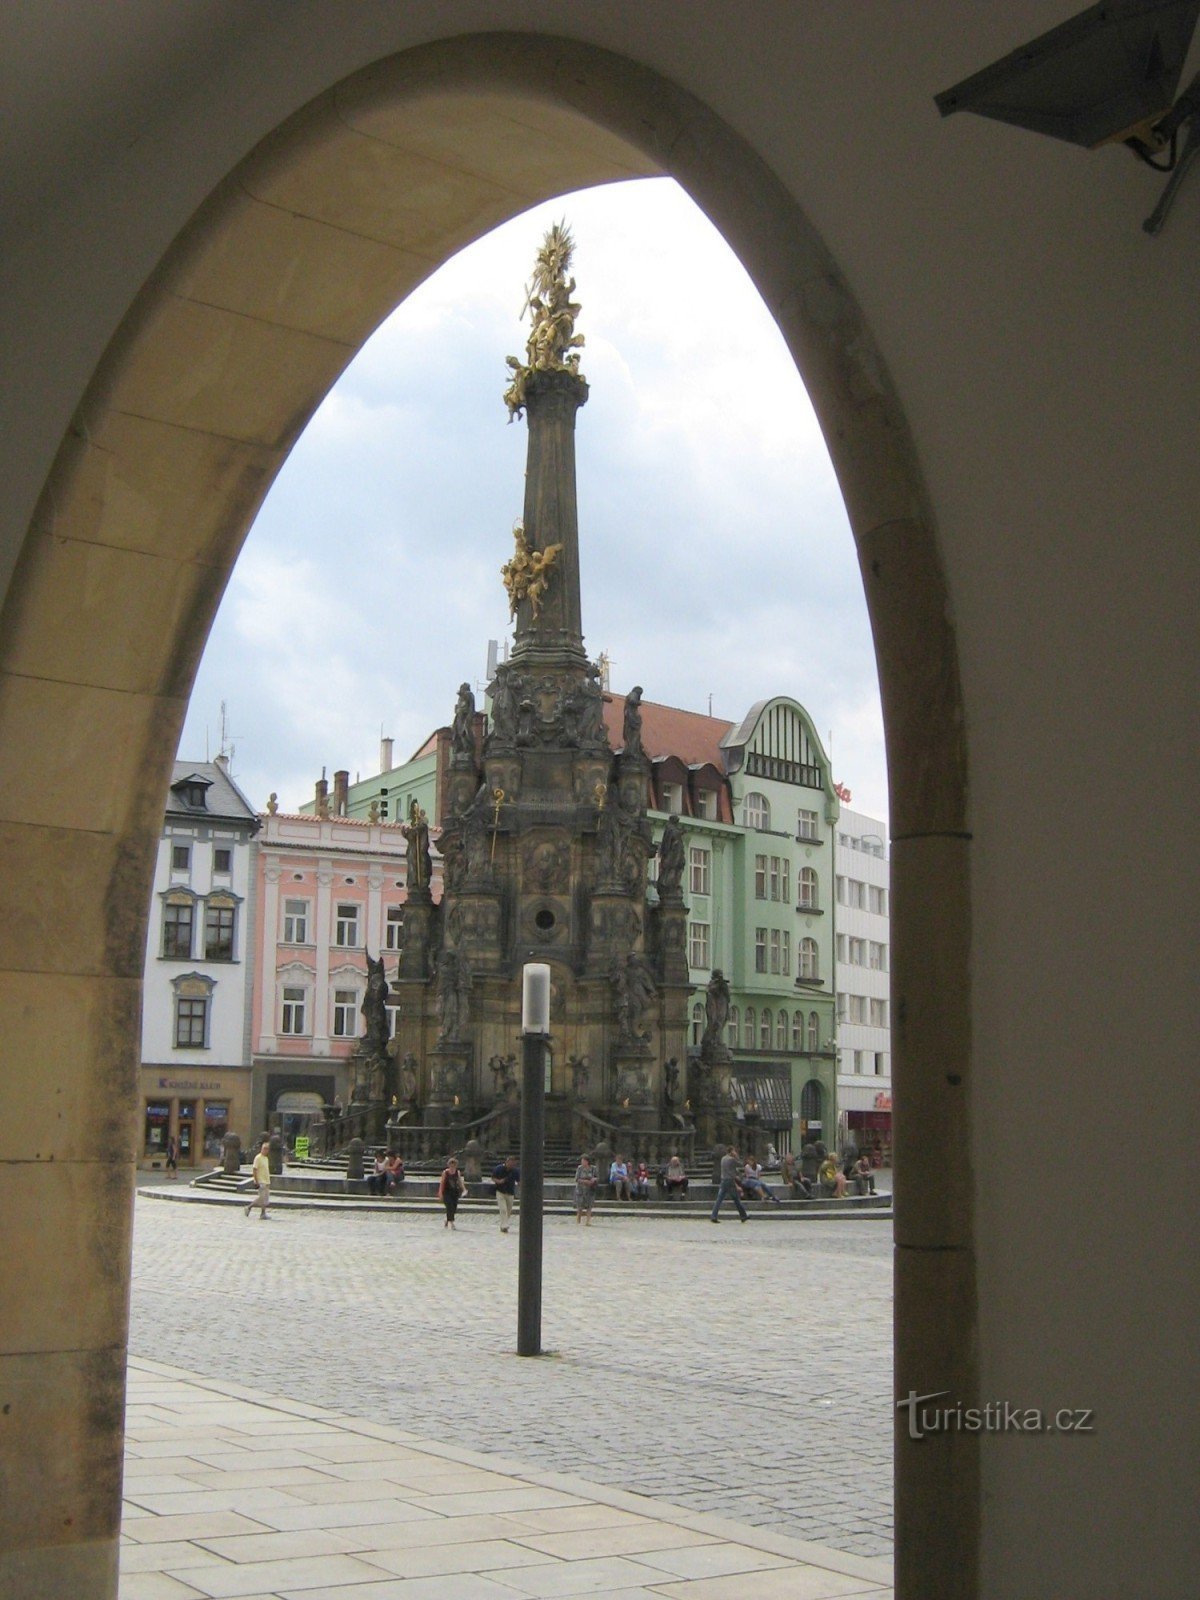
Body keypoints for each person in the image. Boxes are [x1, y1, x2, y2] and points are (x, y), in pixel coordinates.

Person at [710, 1145, 748, 1223]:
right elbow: (741, 1164)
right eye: (734, 1151)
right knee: (736, 1199)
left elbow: (731, 1169)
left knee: (719, 1199)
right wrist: (736, 1156)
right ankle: (743, 1216)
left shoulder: (723, 1158)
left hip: (723, 1180)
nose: (735, 1152)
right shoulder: (731, 1159)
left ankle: (713, 1215)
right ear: (731, 1152)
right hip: (729, 1181)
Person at [438, 1156, 467, 1229]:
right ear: (449, 1165)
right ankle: (452, 1223)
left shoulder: (457, 1172)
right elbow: (442, 1183)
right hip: (447, 1192)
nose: (452, 1166)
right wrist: (440, 1193)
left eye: (454, 1164)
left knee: (454, 1207)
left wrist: (464, 1189)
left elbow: (460, 1182)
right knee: (449, 1206)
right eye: (451, 1164)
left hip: (454, 1192)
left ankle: (447, 1221)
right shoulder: (445, 1172)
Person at [245, 1139, 271, 1220]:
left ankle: (263, 1213)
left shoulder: (266, 1158)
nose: (265, 1150)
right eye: (264, 1148)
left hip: (266, 1181)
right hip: (260, 1181)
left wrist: (268, 1181)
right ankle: (249, 1207)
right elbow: (254, 1169)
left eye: (267, 1149)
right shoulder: (258, 1158)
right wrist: (256, 1180)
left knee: (265, 1199)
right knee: (261, 1198)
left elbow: (266, 1170)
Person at [492, 1154, 519, 1232]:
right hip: (500, 1191)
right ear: (506, 1162)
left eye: (513, 1164)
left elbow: (519, 1181)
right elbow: (493, 1178)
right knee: (503, 1209)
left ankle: (504, 1223)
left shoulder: (515, 1171)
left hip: (510, 1192)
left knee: (509, 1210)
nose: (511, 1165)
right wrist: (499, 1181)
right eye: (510, 1163)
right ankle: (504, 1226)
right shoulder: (498, 1168)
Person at [573, 1154, 597, 1224]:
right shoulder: (579, 1168)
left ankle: (588, 1221)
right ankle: (578, 1220)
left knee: (589, 1206)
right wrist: (585, 1181)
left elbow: (596, 1177)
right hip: (581, 1189)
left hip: (590, 1189)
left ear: (587, 1161)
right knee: (580, 1206)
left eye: (583, 1161)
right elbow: (576, 1179)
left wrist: (593, 1180)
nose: (582, 1162)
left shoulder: (593, 1168)